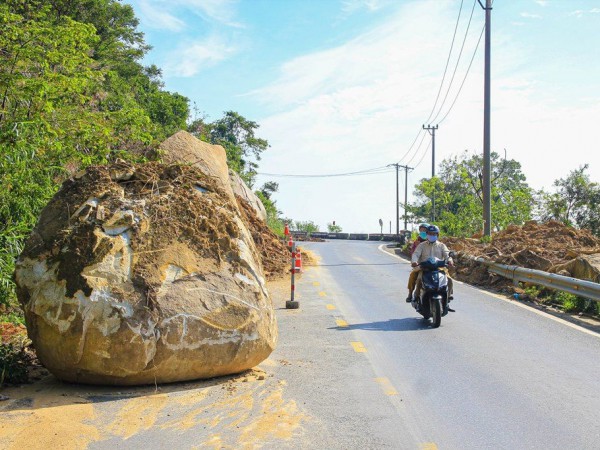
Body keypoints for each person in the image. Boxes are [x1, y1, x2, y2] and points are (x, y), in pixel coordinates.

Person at [407, 224, 454, 302]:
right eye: (429, 233)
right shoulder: (421, 245)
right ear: (427, 234)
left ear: (437, 235)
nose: (431, 235)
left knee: (449, 279)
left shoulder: (442, 245)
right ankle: (412, 294)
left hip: (439, 268)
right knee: (415, 277)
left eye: (434, 234)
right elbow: (416, 254)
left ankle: (448, 297)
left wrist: (450, 260)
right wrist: (414, 261)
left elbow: (447, 254)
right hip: (424, 268)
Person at [405, 223, 429, 302]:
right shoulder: (417, 242)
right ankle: (410, 293)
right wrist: (415, 262)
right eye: (421, 230)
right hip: (421, 265)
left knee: (447, 277)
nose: (423, 232)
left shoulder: (433, 242)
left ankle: (447, 296)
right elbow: (414, 254)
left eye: (424, 230)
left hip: (433, 265)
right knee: (413, 276)